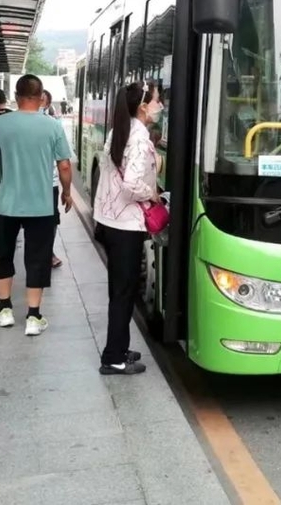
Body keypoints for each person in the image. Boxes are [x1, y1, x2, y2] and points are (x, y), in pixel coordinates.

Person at [0, 75, 72, 336]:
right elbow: (64, 164)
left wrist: (0, 169)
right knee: (37, 258)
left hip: (5, 204)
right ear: (41, 97)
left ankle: (5, 309)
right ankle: (33, 316)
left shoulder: (1, 123)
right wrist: (66, 192)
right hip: (41, 205)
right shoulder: (52, 125)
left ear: (16, 97)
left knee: (3, 253)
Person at [93, 80, 165, 376]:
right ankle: (113, 358)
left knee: (118, 290)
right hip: (126, 225)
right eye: (158, 101)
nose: (161, 106)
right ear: (144, 106)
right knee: (124, 292)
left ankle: (120, 347)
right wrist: (153, 193)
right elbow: (133, 183)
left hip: (110, 221)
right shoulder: (138, 138)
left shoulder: (118, 131)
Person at [39, 88, 64, 268]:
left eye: (43, 101)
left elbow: (63, 162)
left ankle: (47, 252)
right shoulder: (12, 123)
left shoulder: (53, 125)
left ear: (48, 105)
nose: (39, 104)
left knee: (51, 219)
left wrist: (67, 190)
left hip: (49, 182)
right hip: (25, 183)